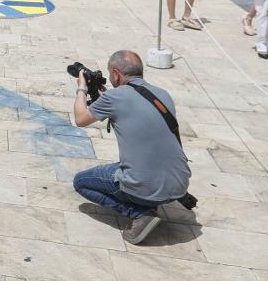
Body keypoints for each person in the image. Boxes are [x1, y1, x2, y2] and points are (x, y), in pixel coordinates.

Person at [71, 51, 191, 244]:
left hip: (144, 185)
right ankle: (149, 200)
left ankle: (140, 213)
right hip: (180, 183)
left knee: (81, 182)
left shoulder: (115, 98)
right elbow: (131, 107)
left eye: (111, 74)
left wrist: (82, 89)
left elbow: (80, 119)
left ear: (117, 74)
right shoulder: (162, 94)